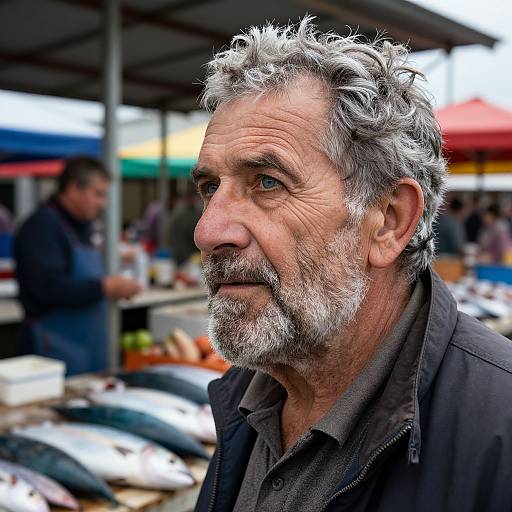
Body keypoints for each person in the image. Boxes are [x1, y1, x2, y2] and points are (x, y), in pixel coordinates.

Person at [193, 18, 512, 512]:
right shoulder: (245, 401)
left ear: (388, 221)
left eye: (267, 182)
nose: (208, 231)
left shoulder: (500, 431)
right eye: (211, 187)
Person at [15, 156, 140, 375]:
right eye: (98, 194)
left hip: (87, 349)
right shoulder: (42, 226)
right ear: (73, 189)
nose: (103, 203)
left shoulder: (82, 227)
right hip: (53, 349)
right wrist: (105, 287)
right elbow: (47, 287)